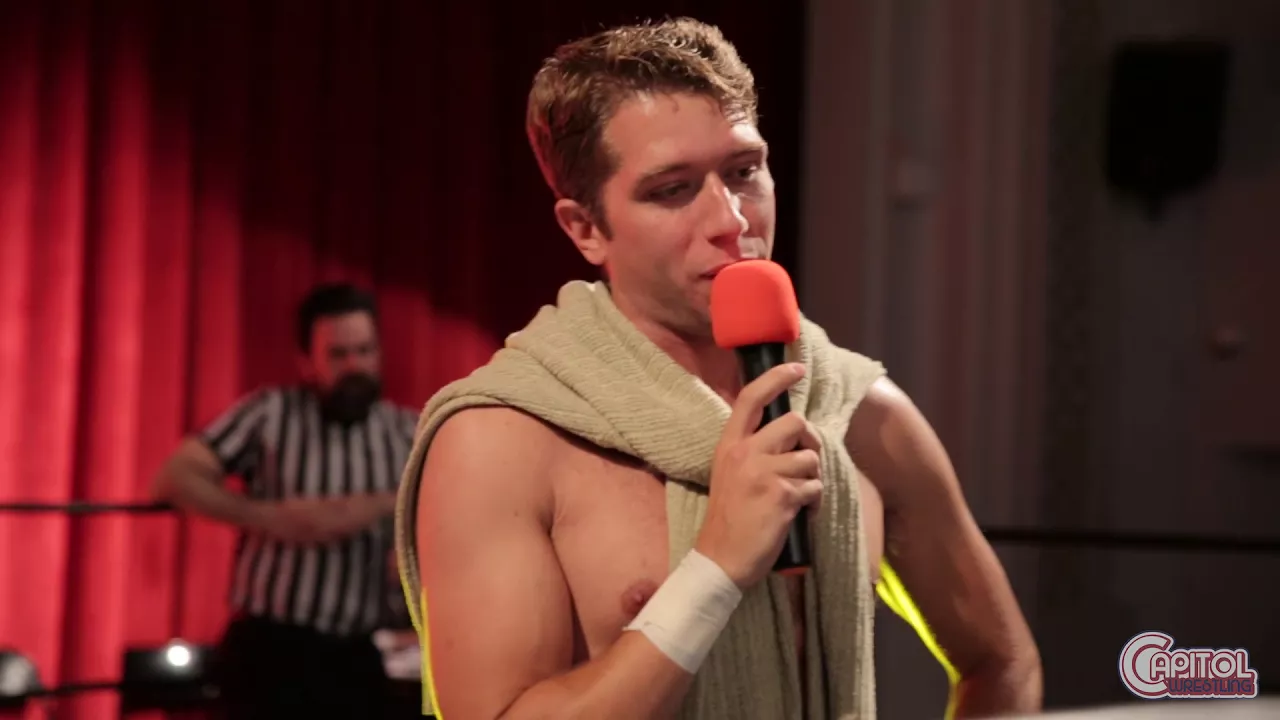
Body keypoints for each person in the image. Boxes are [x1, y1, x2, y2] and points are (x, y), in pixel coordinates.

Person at [394, 17, 1042, 720]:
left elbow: (1002, 661)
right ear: (585, 228)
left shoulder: (858, 411)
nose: (731, 220)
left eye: (743, 171)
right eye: (672, 189)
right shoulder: (501, 440)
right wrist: (716, 568)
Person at [153, 283, 420, 719]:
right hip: (270, 650)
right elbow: (174, 478)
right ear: (307, 362)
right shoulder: (269, 414)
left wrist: (382, 512)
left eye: (365, 350)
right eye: (338, 354)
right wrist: (267, 517)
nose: (355, 366)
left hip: (356, 653)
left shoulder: (406, 432)